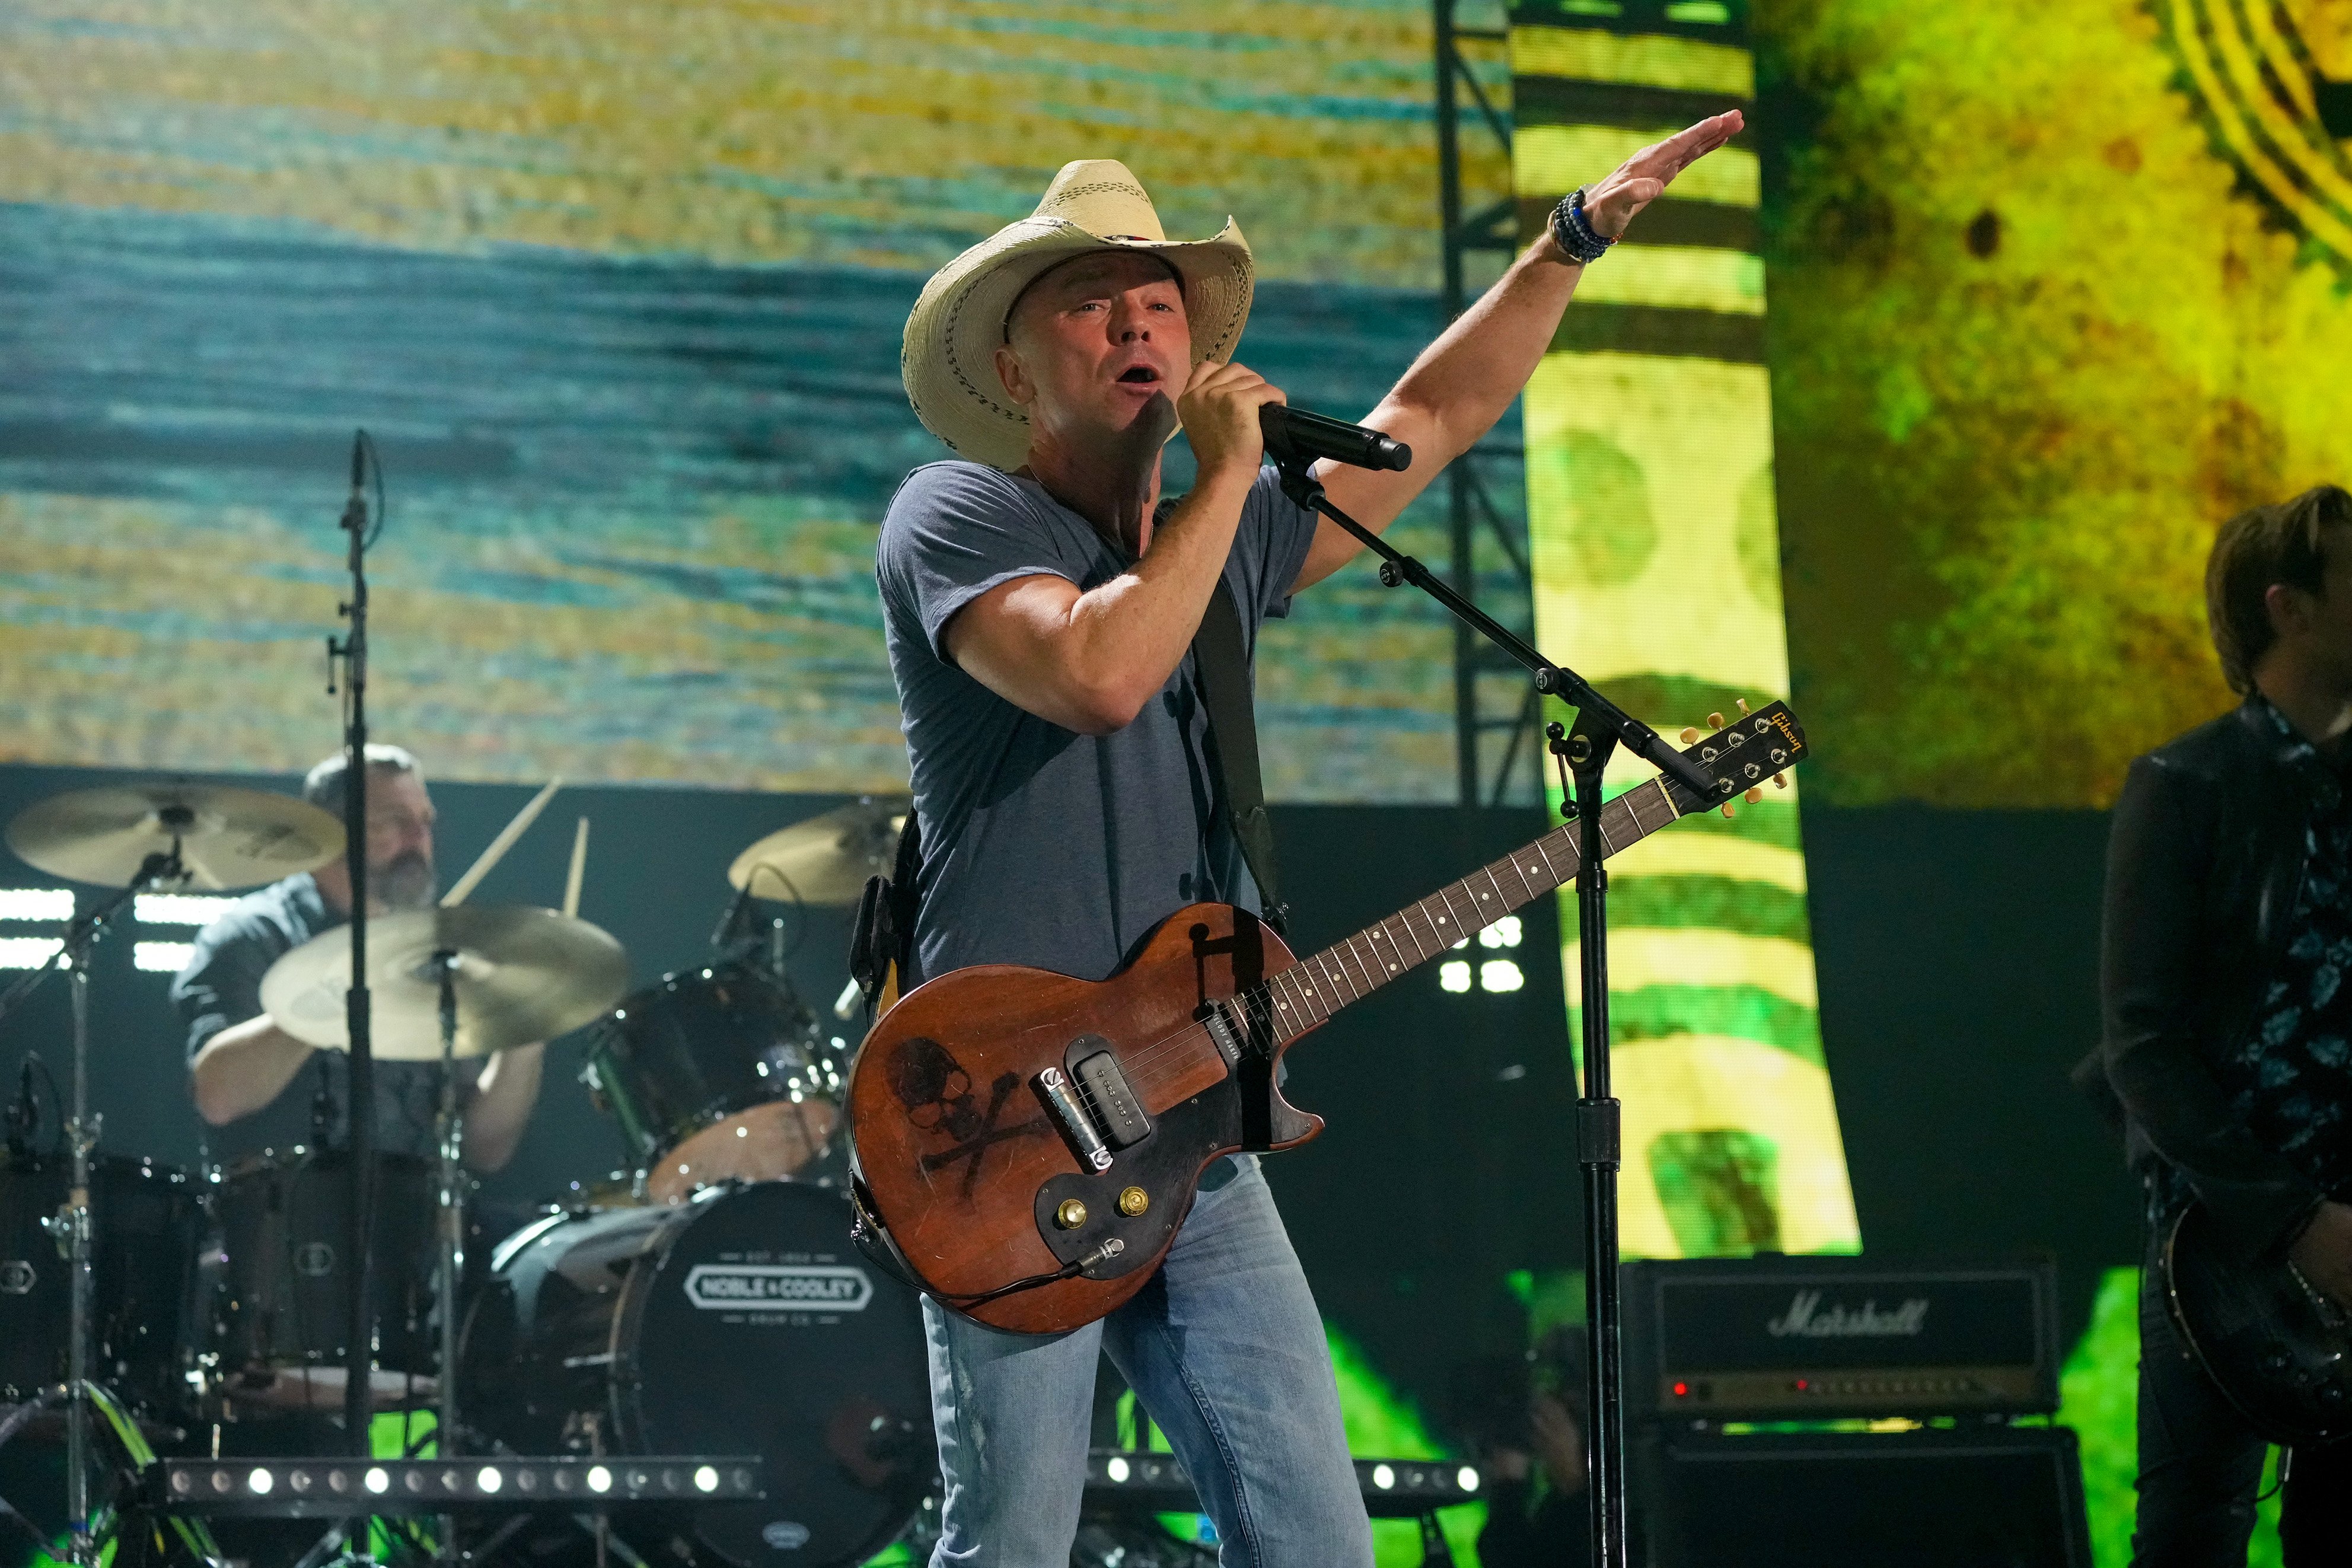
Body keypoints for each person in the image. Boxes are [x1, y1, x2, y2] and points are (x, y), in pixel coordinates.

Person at [877, 116, 1741, 1566]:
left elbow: (1433, 414)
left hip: (1198, 1128)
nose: (1137, 322)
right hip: (1000, 1123)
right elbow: (1097, 674)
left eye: (1158, 299)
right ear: (1017, 370)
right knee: (1011, 1543)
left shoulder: (1226, 543)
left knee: (1315, 1541)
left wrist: (1562, 247)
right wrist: (1221, 482)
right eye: (1090, 301)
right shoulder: (957, 513)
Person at [2099, 485, 2352, 1566]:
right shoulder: (2186, 784)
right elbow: (2142, 1041)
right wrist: (2296, 1217)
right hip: (2225, 1245)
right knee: (2193, 1539)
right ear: (2288, 608)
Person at [174, 744, 544, 1171]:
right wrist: (341, 987)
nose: (419, 841)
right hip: (285, 1219)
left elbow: (484, 1153)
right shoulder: (254, 934)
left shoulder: (427, 946)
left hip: (413, 1220)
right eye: (394, 822)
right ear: (328, 832)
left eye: (425, 822)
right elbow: (218, 1097)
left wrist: (525, 1038)